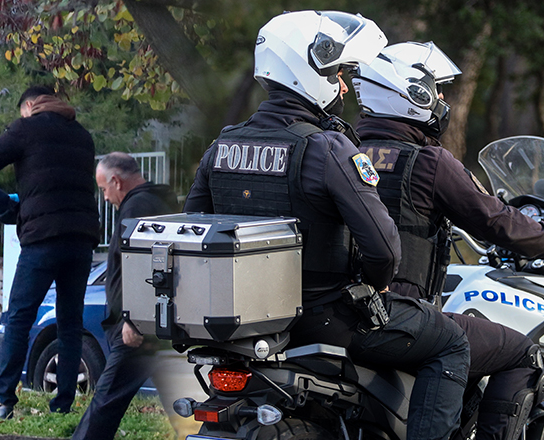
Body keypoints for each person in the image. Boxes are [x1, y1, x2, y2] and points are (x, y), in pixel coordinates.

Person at [182, 11, 471, 440]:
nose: (340, 84)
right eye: (335, 71)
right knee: (452, 344)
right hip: (325, 317)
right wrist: (376, 285)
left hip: (249, 322)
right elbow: (385, 252)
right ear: (308, 70)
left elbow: (195, 229)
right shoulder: (326, 148)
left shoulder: (223, 144)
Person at [351, 41, 544, 440]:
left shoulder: (344, 148)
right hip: (397, 312)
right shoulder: (426, 161)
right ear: (412, 94)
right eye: (435, 89)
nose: (441, 99)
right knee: (521, 351)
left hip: (339, 310)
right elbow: (495, 219)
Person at [0, 85, 100, 419]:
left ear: (29, 105)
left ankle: (3, 402)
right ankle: (63, 404)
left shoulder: (27, 127)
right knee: (70, 323)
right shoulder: (82, 135)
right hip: (82, 238)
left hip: (43, 238)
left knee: (19, 317)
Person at [71, 152, 179, 440]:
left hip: (138, 329)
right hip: (156, 323)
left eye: (104, 189)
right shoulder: (157, 201)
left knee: (106, 400)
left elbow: (146, 265)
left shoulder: (138, 207)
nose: (105, 197)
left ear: (116, 181)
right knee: (181, 404)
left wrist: (134, 318)